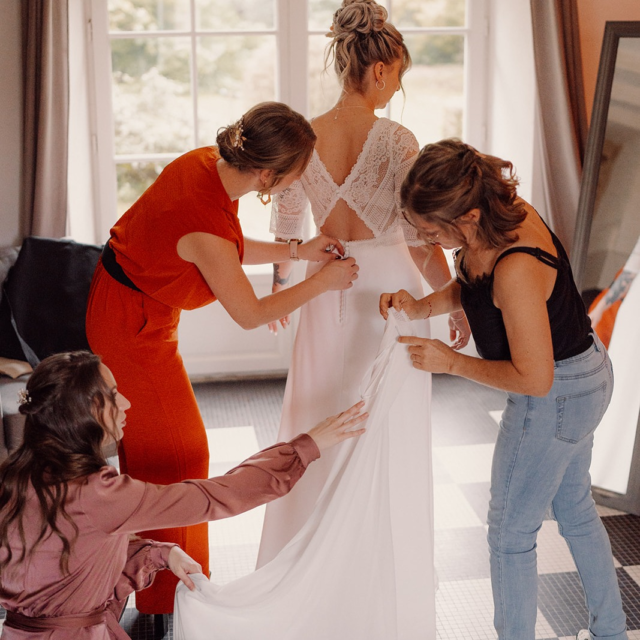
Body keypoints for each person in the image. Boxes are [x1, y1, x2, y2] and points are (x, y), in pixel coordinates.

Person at [85, 101, 359, 614]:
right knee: (178, 458)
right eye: (296, 175)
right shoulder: (203, 216)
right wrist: (323, 282)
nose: (298, 183)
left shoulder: (206, 166)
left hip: (137, 310)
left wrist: (298, 252)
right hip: (129, 327)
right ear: (268, 176)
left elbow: (225, 249)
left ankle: (159, 581)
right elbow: (250, 313)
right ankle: (170, 596)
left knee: (163, 454)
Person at [256, 0, 468, 635]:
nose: (398, 88)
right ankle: (377, 582)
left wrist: (282, 286)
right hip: (390, 297)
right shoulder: (397, 141)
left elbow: (288, 227)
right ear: (378, 69)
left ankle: (312, 580)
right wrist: (453, 297)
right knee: (384, 432)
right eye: (398, 75)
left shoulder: (305, 136)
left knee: (318, 420)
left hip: (325, 292)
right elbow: (422, 238)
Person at [380, 138, 628, 640]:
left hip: (557, 395)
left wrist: (451, 362)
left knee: (510, 533)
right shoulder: (496, 213)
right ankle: (612, 632)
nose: (424, 238)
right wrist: (425, 306)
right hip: (583, 377)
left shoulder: (516, 265)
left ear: (467, 215)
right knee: (575, 509)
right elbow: (475, 281)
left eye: (431, 230)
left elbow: (535, 378)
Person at [0, 351, 367, 640]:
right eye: (113, 395)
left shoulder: (14, 475)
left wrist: (163, 552)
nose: (126, 403)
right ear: (86, 412)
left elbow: (64, 556)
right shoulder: (99, 492)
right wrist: (305, 446)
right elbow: (215, 496)